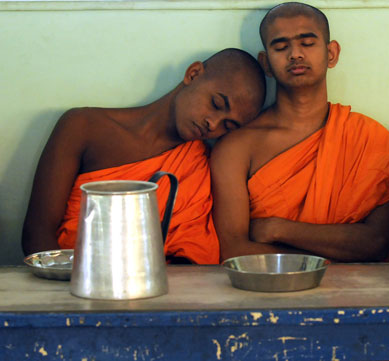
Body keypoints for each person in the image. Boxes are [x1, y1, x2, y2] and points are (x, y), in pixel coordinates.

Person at [22, 48, 267, 265]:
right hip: (76, 286)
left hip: (163, 295)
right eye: (215, 104)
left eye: (229, 125)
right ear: (193, 74)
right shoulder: (83, 127)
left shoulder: (200, 165)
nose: (213, 124)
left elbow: (195, 256)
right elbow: (37, 234)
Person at [211, 2, 389, 262]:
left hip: (357, 294)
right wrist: (333, 256)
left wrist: (277, 229)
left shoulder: (369, 139)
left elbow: (378, 242)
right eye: (281, 47)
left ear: (331, 54)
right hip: (268, 291)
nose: (295, 54)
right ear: (266, 63)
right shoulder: (237, 147)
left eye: (307, 43)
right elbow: (234, 251)